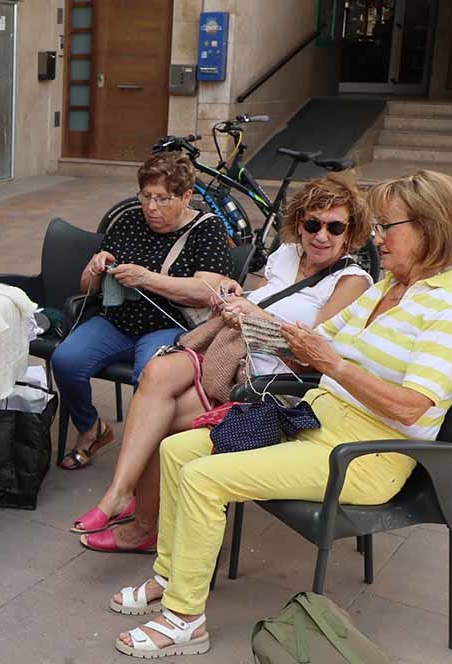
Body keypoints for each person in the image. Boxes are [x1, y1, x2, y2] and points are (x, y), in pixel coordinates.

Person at [110, 170, 452, 659]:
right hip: (317, 420)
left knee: (204, 478)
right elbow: (318, 350)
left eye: (385, 227)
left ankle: (185, 619)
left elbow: (410, 406)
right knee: (178, 448)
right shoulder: (386, 288)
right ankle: (170, 575)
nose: (375, 238)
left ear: (430, 228)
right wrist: (262, 326)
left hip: (366, 456)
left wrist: (330, 363)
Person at [75, 173, 374, 552]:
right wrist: (238, 295)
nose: (321, 236)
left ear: (350, 233)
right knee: (156, 370)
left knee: (160, 420)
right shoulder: (286, 255)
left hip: (272, 384)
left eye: (335, 227)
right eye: (313, 224)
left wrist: (253, 314)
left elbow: (309, 354)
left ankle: (142, 524)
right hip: (232, 351)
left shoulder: (351, 282)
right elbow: (268, 299)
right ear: (300, 223)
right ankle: (120, 496)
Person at [50, 152, 234, 471]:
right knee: (65, 360)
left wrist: (147, 278)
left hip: (172, 327)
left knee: (147, 378)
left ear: (187, 196)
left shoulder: (208, 229)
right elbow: (87, 288)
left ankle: (141, 465)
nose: (151, 207)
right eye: (146, 196)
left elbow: (205, 291)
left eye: (163, 199)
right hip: (118, 322)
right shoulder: (129, 221)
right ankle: (92, 428)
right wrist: (95, 268)